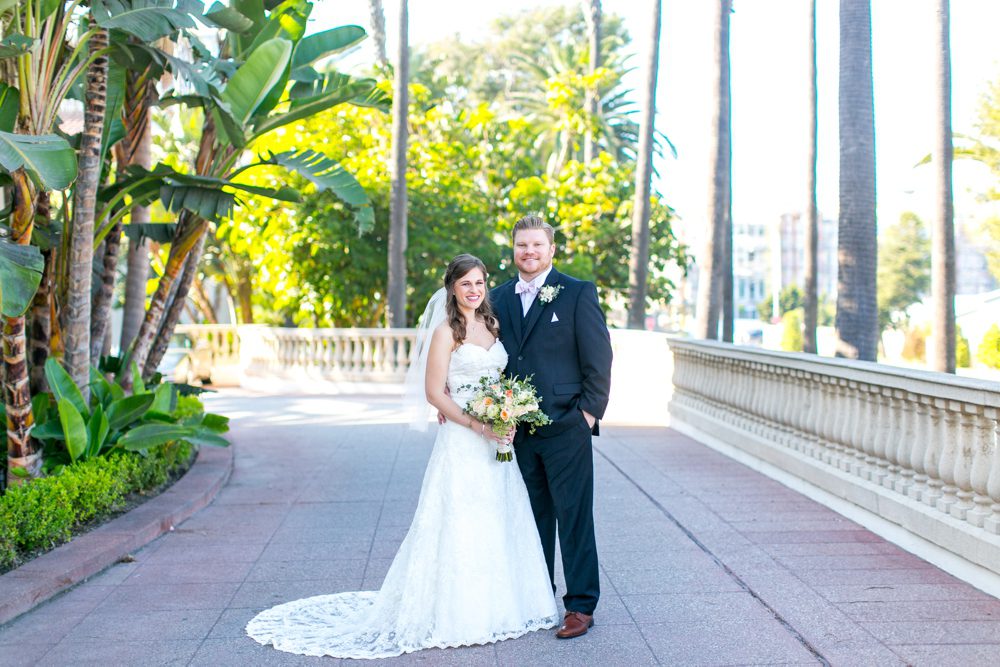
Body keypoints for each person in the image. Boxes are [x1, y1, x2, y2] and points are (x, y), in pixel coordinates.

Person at [246, 254, 558, 659]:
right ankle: (460, 614)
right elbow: (434, 393)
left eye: (479, 283)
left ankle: (504, 607)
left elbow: (499, 382)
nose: (474, 291)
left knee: (498, 517)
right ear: (452, 288)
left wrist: (506, 415)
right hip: (464, 441)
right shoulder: (447, 331)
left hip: (496, 441)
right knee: (460, 521)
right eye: (466, 284)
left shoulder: (492, 325)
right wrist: (478, 425)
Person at [491, 215, 613, 639]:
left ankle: (580, 606)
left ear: (551, 250)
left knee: (574, 516)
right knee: (530, 517)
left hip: (567, 425)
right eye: (522, 245)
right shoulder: (497, 297)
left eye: (537, 246)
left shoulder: (578, 293)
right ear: (514, 249)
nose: (529, 252)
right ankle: (538, 596)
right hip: (516, 428)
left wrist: (587, 416)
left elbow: (599, 359)